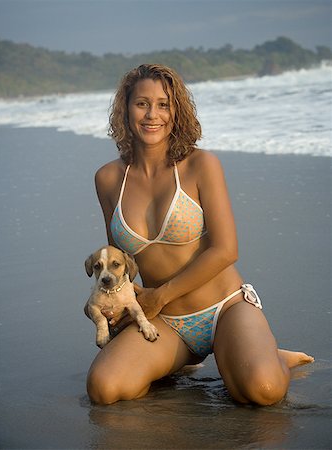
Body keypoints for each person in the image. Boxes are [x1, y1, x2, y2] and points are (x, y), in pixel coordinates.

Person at [86, 64, 313, 406]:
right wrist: (108, 305)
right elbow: (121, 262)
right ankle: (185, 357)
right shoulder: (107, 179)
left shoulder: (200, 165)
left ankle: (272, 355)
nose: (152, 115)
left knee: (263, 391)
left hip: (224, 309)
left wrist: (159, 296)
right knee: (105, 389)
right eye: (141, 103)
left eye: (164, 105)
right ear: (125, 109)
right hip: (164, 321)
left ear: (176, 111)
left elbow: (226, 250)